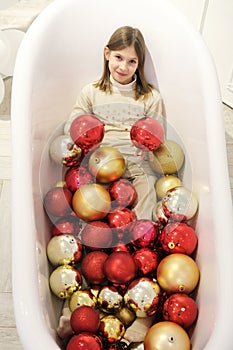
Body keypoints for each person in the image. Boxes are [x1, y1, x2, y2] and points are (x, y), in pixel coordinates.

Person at [64, 26, 165, 220]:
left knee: (148, 192)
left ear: (139, 64)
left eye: (132, 61)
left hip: (135, 165)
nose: (123, 67)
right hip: (100, 163)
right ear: (107, 53)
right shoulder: (91, 92)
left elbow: (157, 136)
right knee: (88, 201)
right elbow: (71, 126)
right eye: (119, 58)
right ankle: (96, 238)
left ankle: (138, 237)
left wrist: (150, 150)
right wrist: (88, 139)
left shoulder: (150, 97)